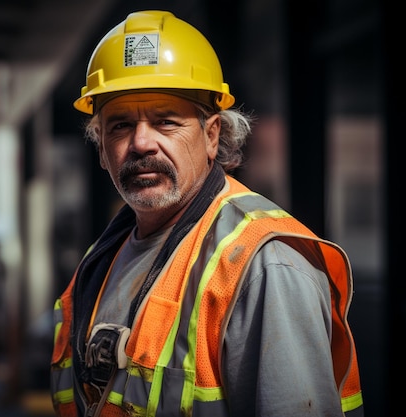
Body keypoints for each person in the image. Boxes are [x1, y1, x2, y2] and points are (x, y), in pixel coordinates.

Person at [50, 10, 364, 417]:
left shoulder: (264, 265)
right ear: (101, 149)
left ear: (212, 135)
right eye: (121, 125)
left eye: (166, 121)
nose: (141, 142)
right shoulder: (102, 260)